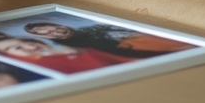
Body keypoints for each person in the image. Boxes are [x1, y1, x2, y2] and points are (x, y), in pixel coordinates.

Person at [23, 21, 195, 58]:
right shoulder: (82, 47)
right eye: (45, 33)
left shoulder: (90, 28)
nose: (55, 31)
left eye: (51, 26)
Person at [0, 34, 135, 74]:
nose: (26, 47)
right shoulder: (42, 65)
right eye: (16, 49)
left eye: (22, 42)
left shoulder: (69, 46)